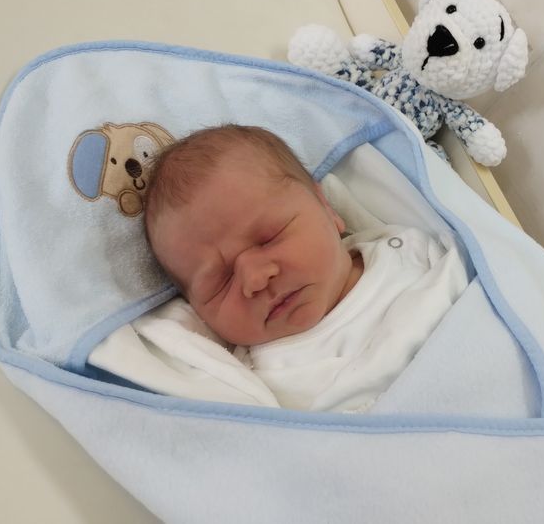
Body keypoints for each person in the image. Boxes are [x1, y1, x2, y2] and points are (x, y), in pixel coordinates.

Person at [141, 124, 468, 412]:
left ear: (327, 209)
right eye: (221, 281)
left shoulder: (410, 250)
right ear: (198, 313)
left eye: (269, 238)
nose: (256, 278)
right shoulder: (254, 387)